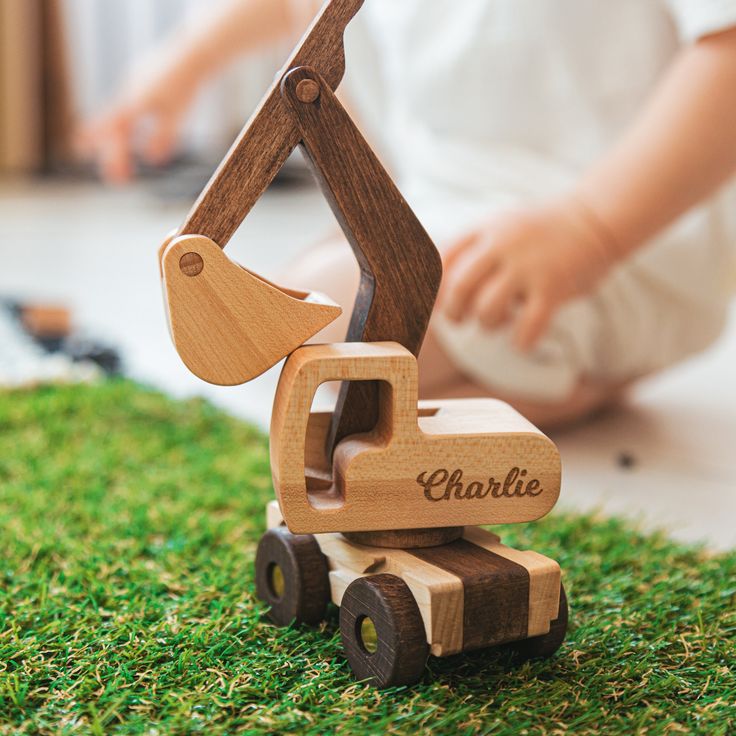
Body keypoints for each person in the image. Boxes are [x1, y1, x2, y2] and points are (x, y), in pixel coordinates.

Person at [80, 0, 736, 427]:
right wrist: (184, 59)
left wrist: (589, 227)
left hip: (620, 231)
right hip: (450, 211)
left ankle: (579, 377)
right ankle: (524, 378)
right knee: (309, 324)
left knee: (332, 338)